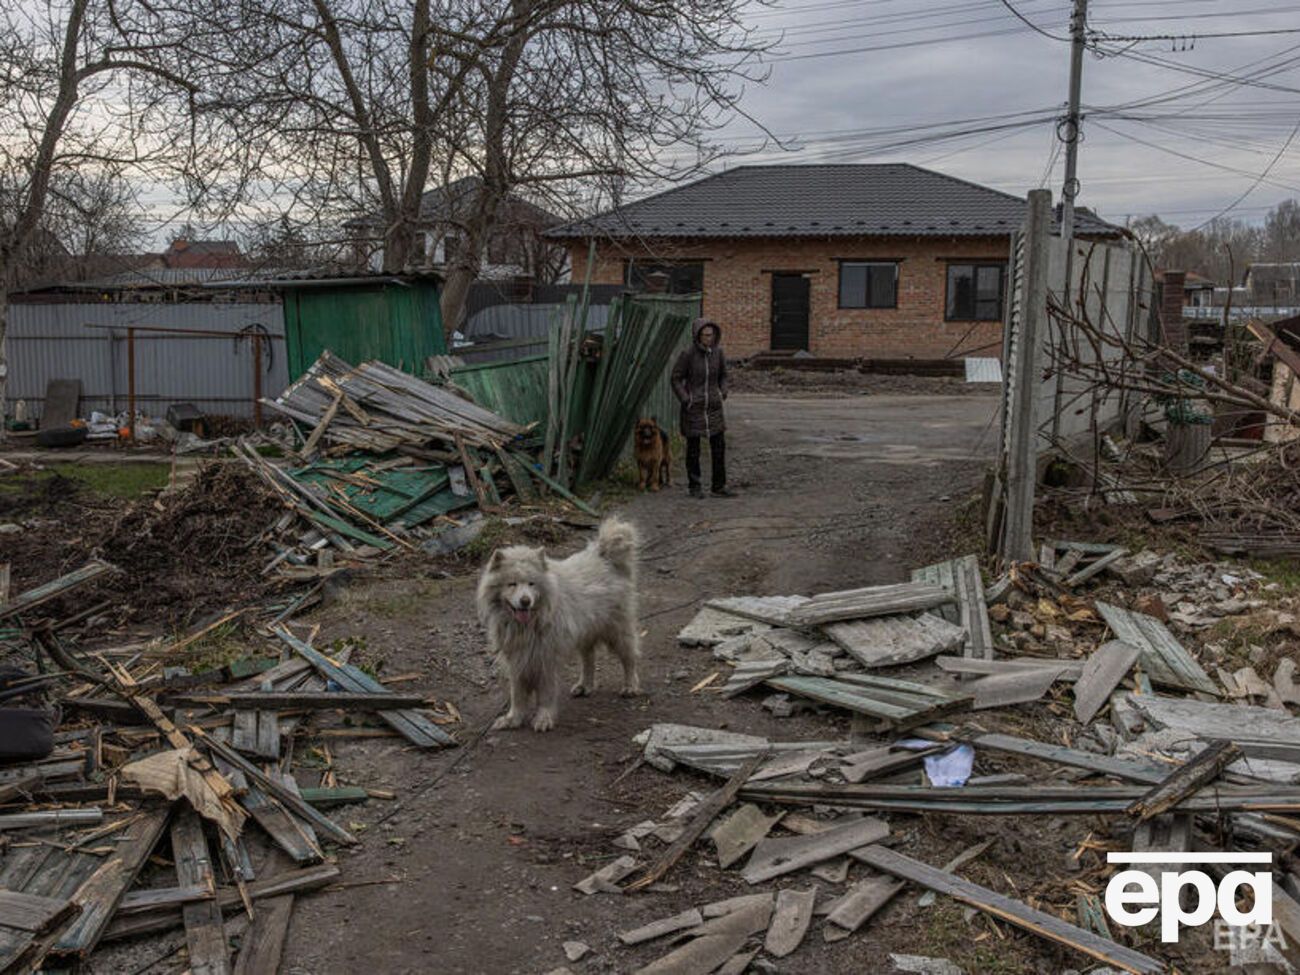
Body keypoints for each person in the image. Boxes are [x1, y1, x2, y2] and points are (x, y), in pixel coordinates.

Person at [671, 317, 735, 498]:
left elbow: (724, 375)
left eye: (712, 335)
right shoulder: (688, 354)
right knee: (693, 450)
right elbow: (675, 378)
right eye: (706, 335)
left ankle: (719, 486)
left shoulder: (718, 353)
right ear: (698, 336)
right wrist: (685, 398)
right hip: (694, 407)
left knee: (719, 447)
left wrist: (723, 390)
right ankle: (695, 486)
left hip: (713, 407)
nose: (709, 338)